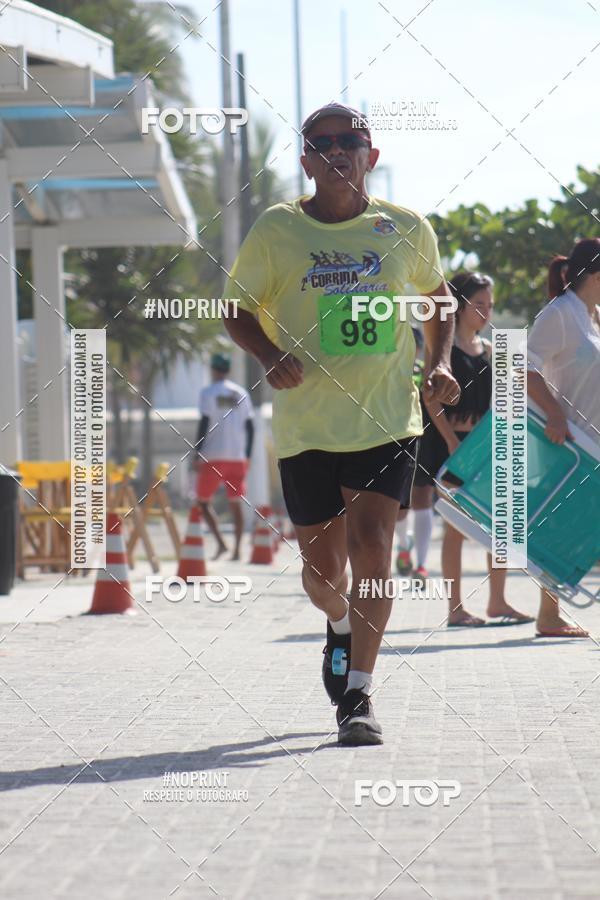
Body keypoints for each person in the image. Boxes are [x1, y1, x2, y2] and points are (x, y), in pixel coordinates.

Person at [223, 102, 460, 745]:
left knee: (374, 547)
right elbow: (236, 309)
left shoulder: (405, 227)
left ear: (370, 156)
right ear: (306, 161)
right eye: (321, 143)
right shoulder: (277, 230)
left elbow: (439, 299)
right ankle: (338, 624)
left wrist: (439, 361)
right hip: (306, 428)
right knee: (324, 575)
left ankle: (358, 693)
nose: (336, 151)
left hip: (385, 418)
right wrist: (269, 355)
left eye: (349, 141)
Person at [421, 272, 534, 627]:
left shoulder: (494, 350)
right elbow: (430, 398)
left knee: (500, 525)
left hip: (487, 447)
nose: (486, 312)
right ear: (459, 305)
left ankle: (497, 601)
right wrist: (452, 442)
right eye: (479, 304)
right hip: (452, 448)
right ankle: (455, 608)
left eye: (491, 305)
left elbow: (508, 402)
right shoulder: (442, 348)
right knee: (456, 527)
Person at [527, 237, 600, 637]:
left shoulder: (593, 316)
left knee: (576, 529)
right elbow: (522, 367)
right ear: (595, 276)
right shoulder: (559, 313)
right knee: (560, 528)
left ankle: (549, 613)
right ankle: (548, 614)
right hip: (569, 442)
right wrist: (554, 413)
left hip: (594, 441)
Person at [193, 352, 254, 561]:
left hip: (213, 455)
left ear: (213, 369)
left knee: (202, 501)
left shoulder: (208, 392)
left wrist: (197, 452)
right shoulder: (241, 393)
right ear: (228, 370)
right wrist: (248, 455)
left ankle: (221, 544)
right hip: (237, 457)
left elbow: (204, 423)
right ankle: (237, 550)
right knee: (236, 503)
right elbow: (250, 426)